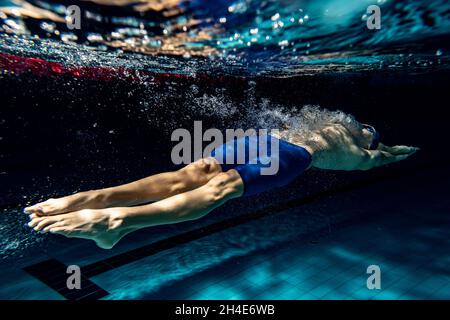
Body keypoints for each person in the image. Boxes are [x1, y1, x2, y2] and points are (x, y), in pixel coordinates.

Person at [24, 111, 418, 249]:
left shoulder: (363, 153)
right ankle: (107, 212)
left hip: (280, 147)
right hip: (282, 149)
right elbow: (380, 150)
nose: (363, 128)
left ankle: (100, 207)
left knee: (202, 179)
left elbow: (384, 155)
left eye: (369, 129)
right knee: (205, 180)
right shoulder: (350, 142)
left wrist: (400, 151)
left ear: (371, 138)